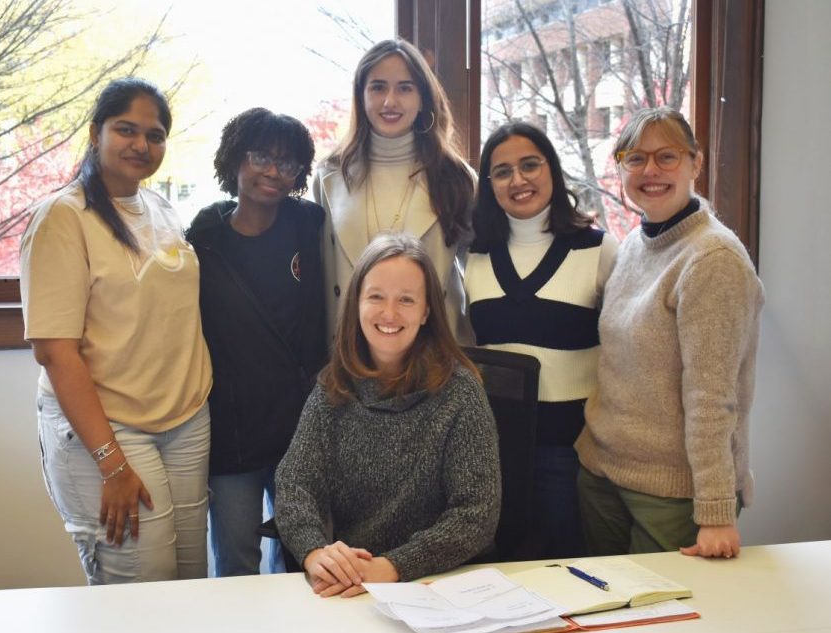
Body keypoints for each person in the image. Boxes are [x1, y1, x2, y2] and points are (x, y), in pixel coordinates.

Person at [20, 78, 212, 584]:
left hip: (186, 419)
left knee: (192, 579)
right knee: (143, 593)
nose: (141, 145)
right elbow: (54, 352)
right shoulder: (64, 218)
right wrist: (111, 463)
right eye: (126, 130)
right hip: (109, 429)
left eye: (155, 135)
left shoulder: (162, 209)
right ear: (95, 133)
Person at [574, 106, 764, 559]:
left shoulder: (711, 259)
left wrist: (716, 511)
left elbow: (712, 397)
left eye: (667, 157)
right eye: (635, 158)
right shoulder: (639, 243)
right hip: (605, 473)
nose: (650, 170)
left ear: (696, 163)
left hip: (671, 493)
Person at [274, 233, 501, 597]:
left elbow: (475, 514)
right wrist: (315, 552)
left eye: (406, 300)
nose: (389, 314)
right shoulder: (335, 387)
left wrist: (393, 566)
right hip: (355, 581)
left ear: (427, 311)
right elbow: (294, 484)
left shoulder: (459, 392)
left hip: (441, 585)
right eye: (376, 297)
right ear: (356, 303)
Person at [464, 122, 617, 560]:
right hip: (494, 451)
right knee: (505, 577)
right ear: (489, 183)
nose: (518, 180)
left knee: (570, 572)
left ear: (551, 168)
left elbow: (627, 353)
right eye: (502, 171)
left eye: (530, 165)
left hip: (570, 454)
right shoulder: (473, 256)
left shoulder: (599, 250)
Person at [185, 108, 326, 577]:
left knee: (301, 557)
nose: (273, 171)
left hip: (299, 427)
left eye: (287, 163)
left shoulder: (309, 225)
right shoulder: (204, 239)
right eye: (262, 156)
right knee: (235, 560)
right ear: (235, 159)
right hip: (233, 431)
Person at [314, 39, 475, 342]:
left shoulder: (457, 178)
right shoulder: (329, 175)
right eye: (377, 87)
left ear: (423, 97)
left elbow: (481, 276)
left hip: (436, 356)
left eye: (404, 88)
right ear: (360, 96)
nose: (390, 101)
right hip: (351, 355)